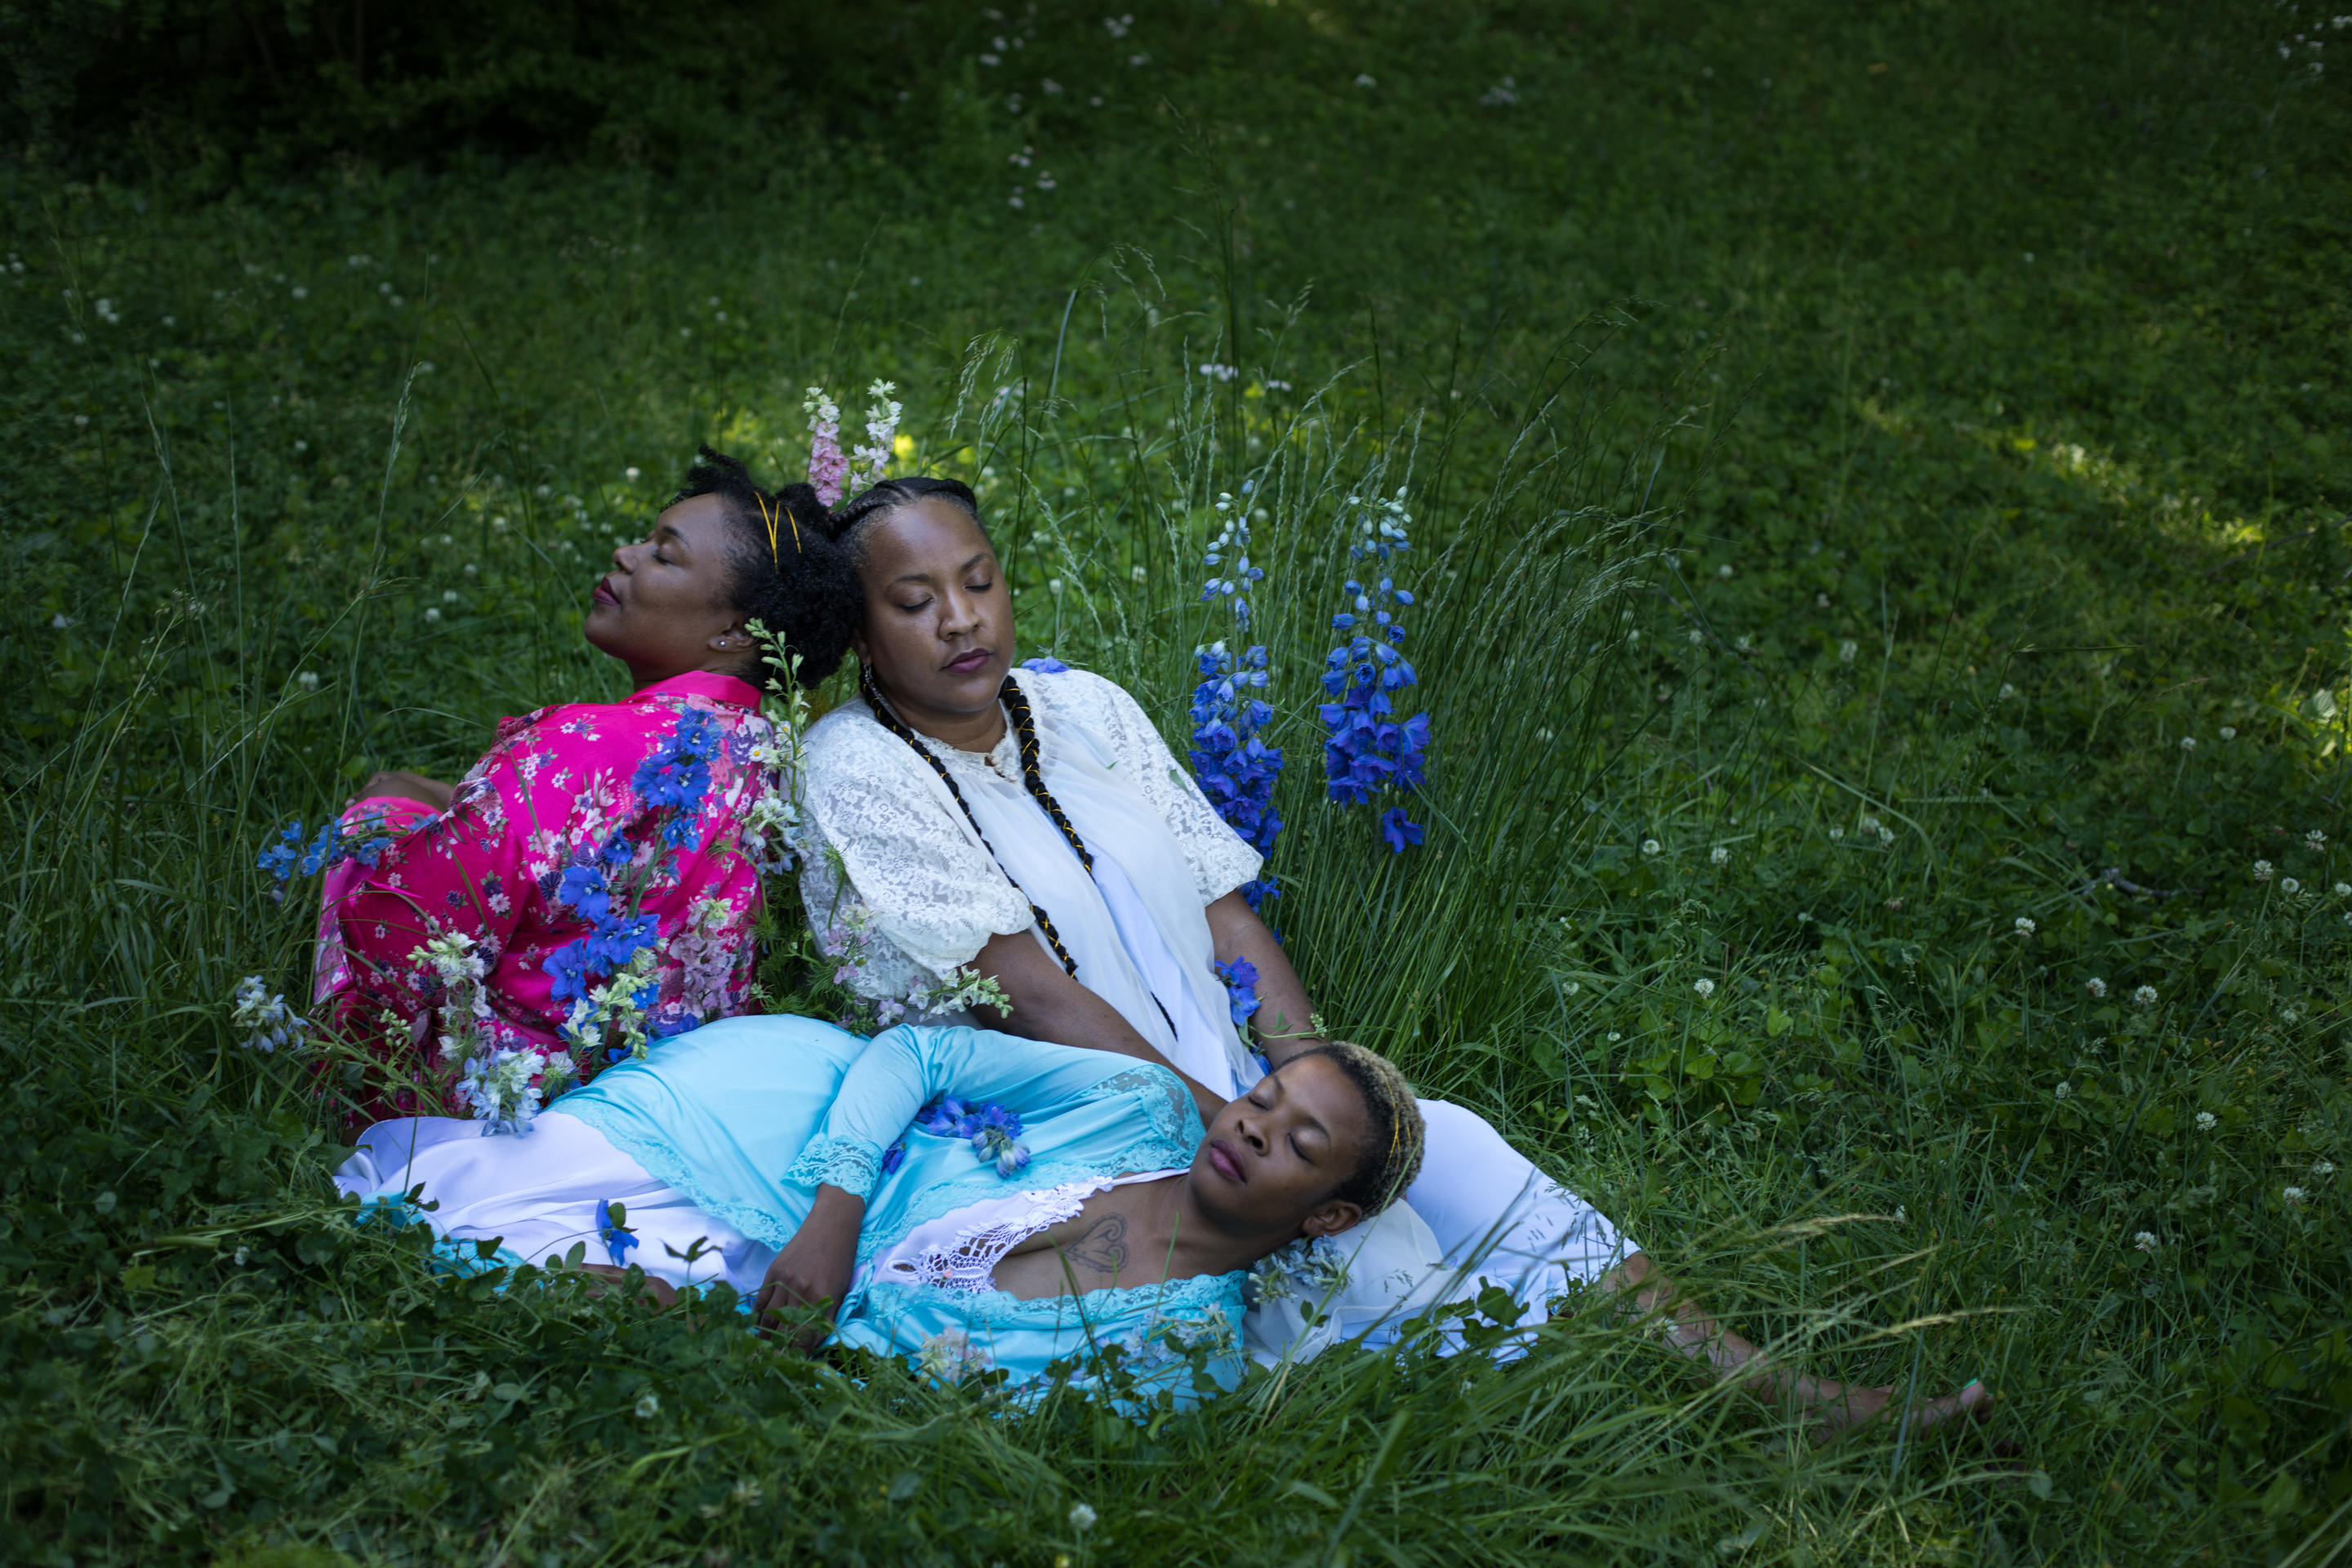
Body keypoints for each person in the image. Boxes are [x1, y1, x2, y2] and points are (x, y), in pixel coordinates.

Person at [787, 476, 1991, 1432]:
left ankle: (1757, 1383)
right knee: (1366, 1285)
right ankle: (1555, 1397)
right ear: (860, 632)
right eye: (915, 601)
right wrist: (1238, 1128)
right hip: (1065, 1132)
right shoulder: (857, 763)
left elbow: (1226, 914)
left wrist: (1313, 1080)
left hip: (1237, 1106)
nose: (962, 620)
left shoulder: (1086, 707)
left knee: (1447, 1141)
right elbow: (1028, 993)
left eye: (980, 581)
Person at [332, 1012, 1427, 1404]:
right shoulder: (1136, 1105)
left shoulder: (1183, 1351)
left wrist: (723, 1337)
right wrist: (837, 1213)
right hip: (800, 1133)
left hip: (784, 1304)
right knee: (459, 1201)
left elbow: (944, 1413)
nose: (1253, 1128)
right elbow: (921, 1052)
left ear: (1327, 1217)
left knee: (562, 1286)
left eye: (1300, 1144)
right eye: (1262, 1097)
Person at [314, 449, 858, 1127]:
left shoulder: (585, 746)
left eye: (663, 555)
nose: (626, 554)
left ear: (733, 632)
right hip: (675, 1096)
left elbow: (403, 928)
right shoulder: (771, 760)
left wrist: (355, 1070)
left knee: (378, 815)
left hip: (503, 1096)